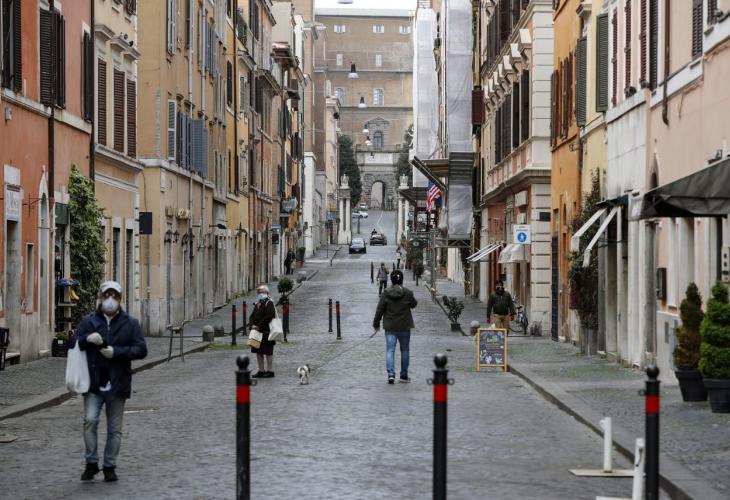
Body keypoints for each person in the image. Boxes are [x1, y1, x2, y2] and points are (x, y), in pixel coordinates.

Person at [73, 281, 148, 482]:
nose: (110, 299)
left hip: (118, 382)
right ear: (101, 297)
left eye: (114, 295)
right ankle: (91, 463)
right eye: (107, 295)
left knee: (115, 429)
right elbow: (74, 342)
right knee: (89, 421)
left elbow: (141, 349)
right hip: (93, 382)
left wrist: (116, 352)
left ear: (120, 299)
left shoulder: (130, 323)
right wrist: (87, 339)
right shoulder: (88, 321)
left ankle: (109, 466)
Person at [373, 270, 418, 384]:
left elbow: (379, 310)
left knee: (390, 350)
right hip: (404, 326)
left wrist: (376, 324)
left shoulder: (386, 293)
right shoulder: (408, 293)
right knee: (405, 350)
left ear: (391, 280)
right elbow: (414, 304)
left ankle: (391, 375)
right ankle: (403, 376)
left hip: (390, 326)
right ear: (402, 280)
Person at [249, 285, 277, 378]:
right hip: (257, 332)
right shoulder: (258, 303)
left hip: (266, 332)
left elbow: (269, 316)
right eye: (259, 292)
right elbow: (252, 316)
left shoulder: (269, 303)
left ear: (267, 293)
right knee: (258, 352)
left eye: (262, 292)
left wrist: (259, 326)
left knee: (268, 352)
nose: (260, 294)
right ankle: (261, 370)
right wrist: (252, 325)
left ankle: (270, 371)